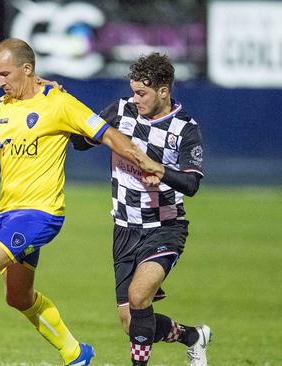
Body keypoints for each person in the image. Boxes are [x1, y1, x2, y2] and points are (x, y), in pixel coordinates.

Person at [0, 38, 155, 366]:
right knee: (18, 297)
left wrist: (144, 161)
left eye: (5, 74)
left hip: (40, 215)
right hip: (9, 216)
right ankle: (75, 353)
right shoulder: (0, 110)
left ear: (28, 69)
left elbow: (106, 133)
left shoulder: (60, 103)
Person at [70, 53, 211, 365]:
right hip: (124, 228)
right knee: (132, 322)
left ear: (163, 91)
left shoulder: (185, 128)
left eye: (142, 93)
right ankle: (193, 336)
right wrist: (60, 103)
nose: (135, 99)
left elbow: (192, 185)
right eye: (133, 91)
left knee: (137, 297)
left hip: (165, 227)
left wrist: (156, 167)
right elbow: (81, 142)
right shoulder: (121, 111)